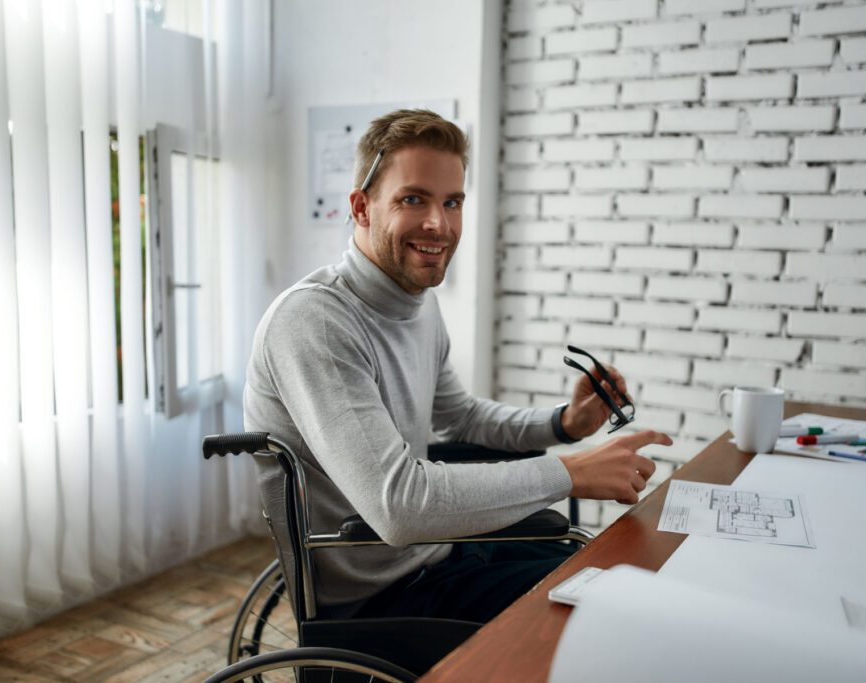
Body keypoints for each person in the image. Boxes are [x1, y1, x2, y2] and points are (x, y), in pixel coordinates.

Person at [243, 109, 672, 622]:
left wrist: (564, 423)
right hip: (378, 598)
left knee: (596, 573)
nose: (438, 224)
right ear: (361, 208)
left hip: (437, 552)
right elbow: (398, 506)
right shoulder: (314, 321)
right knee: (592, 614)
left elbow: (461, 417)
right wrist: (570, 472)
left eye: (452, 202)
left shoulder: (416, 301)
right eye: (413, 199)